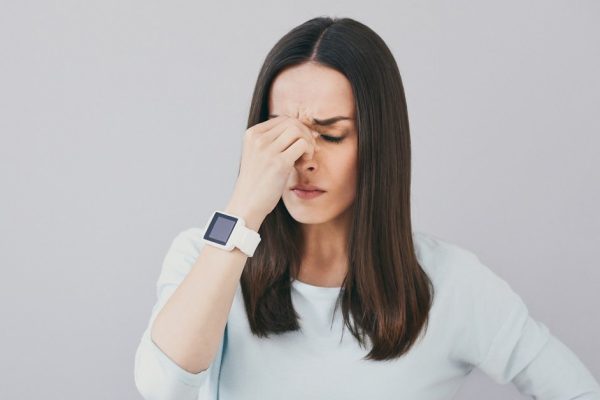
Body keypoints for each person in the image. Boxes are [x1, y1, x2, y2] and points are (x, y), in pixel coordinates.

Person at [134, 16, 600, 400]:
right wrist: (242, 208)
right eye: (279, 134)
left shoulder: (452, 284)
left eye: (331, 134)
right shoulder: (205, 258)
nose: (302, 158)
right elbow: (163, 386)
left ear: (379, 142)